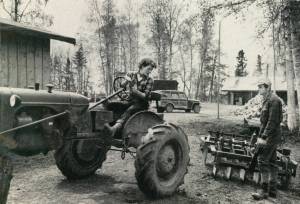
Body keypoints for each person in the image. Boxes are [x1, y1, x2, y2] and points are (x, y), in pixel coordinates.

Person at [105, 58, 157, 137]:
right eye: (149, 69)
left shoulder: (150, 80)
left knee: (130, 110)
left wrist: (135, 91)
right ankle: (104, 126)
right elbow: (122, 85)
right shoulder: (131, 74)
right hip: (129, 100)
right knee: (111, 105)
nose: (150, 71)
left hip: (142, 103)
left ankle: (114, 129)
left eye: (151, 70)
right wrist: (126, 81)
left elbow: (145, 96)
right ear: (142, 66)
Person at [252, 78, 283, 200]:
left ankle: (264, 191)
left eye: (261, 87)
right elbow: (265, 121)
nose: (259, 89)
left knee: (262, 160)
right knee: (272, 163)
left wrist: (263, 137)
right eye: (258, 87)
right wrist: (261, 134)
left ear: (267, 87)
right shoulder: (267, 100)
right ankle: (273, 192)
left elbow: (272, 121)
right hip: (270, 134)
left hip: (271, 135)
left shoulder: (274, 100)